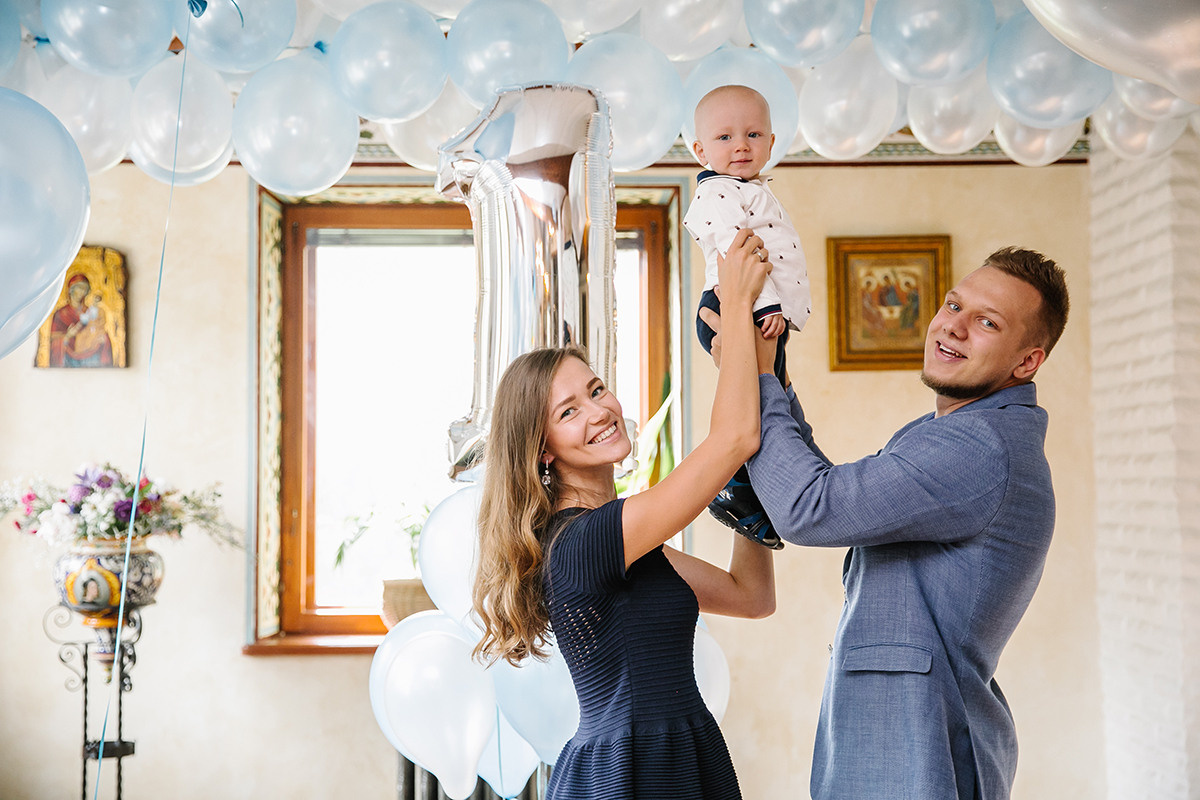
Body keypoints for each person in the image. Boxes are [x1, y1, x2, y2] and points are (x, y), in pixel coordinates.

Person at [703, 246, 1070, 800]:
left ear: (1027, 362)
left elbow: (811, 506)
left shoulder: (979, 446)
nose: (953, 328)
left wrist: (752, 373)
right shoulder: (954, 429)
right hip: (892, 736)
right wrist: (770, 370)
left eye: (987, 322)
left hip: (918, 749)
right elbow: (828, 486)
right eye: (953, 305)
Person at [472, 229, 778, 800]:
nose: (600, 411)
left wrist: (753, 492)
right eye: (569, 411)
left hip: (683, 756)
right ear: (543, 449)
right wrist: (735, 306)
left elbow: (751, 596)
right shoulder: (584, 542)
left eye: (597, 389)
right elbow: (734, 435)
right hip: (630, 771)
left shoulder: (627, 546)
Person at [683, 84, 811, 552]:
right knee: (754, 411)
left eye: (753, 133)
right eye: (724, 138)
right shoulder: (718, 194)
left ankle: (756, 495)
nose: (740, 145)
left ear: (771, 143)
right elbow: (736, 256)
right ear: (700, 150)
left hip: (756, 307)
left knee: (768, 409)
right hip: (736, 304)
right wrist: (765, 307)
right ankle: (733, 491)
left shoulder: (748, 190)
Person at [48, 274, 113, 368]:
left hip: (91, 354)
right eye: (79, 288)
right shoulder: (61, 313)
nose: (82, 292)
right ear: (71, 289)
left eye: (85, 289)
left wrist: (104, 339)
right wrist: (67, 336)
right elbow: (52, 340)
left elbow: (99, 328)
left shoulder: (90, 311)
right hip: (69, 358)